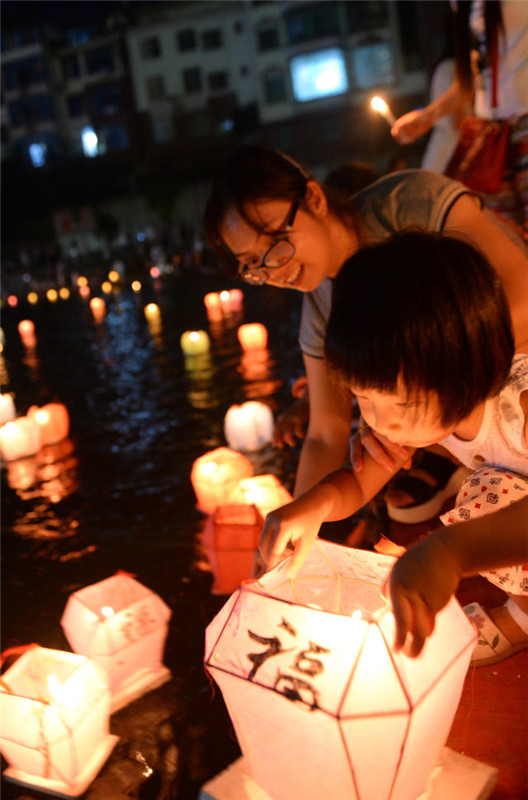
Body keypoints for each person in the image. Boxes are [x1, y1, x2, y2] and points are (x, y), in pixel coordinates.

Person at [203, 145, 528, 507]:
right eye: (252, 264)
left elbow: (523, 302)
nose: (273, 269)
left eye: (276, 243)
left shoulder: (406, 204)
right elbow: (326, 433)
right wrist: (301, 523)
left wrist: (424, 402)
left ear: (313, 197)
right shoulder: (320, 306)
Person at [256, 231, 528, 662]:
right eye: (365, 398)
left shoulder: (521, 408)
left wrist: (448, 551)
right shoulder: (412, 414)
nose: (382, 420)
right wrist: (313, 506)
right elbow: (357, 483)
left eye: (401, 401)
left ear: (470, 367)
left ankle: (522, 619)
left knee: (487, 499)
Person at [391, 0, 528, 233]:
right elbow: (470, 79)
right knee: (510, 235)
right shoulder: (463, 4)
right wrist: (425, 118)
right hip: (494, 135)